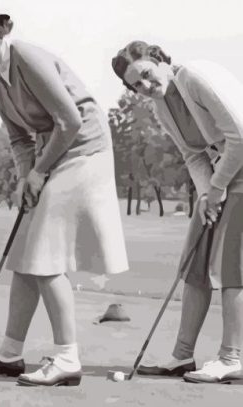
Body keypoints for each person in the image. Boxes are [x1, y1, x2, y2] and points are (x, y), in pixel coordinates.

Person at [0, 2, 129, 387]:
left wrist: (39, 173)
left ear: (0, 30)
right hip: (54, 155)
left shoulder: (25, 56)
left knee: (44, 257)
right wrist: (25, 178)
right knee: (25, 253)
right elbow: (18, 139)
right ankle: (10, 355)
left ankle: (67, 359)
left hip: (85, 150)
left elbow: (70, 120)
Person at [112, 41, 243, 384]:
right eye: (135, 86)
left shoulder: (194, 77)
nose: (144, 87)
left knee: (229, 265)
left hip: (239, 168)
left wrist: (217, 188)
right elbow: (193, 155)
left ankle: (233, 358)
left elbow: (240, 136)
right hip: (222, 174)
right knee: (195, 262)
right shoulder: (162, 107)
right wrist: (205, 194)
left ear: (158, 59)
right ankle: (182, 355)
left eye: (145, 75)